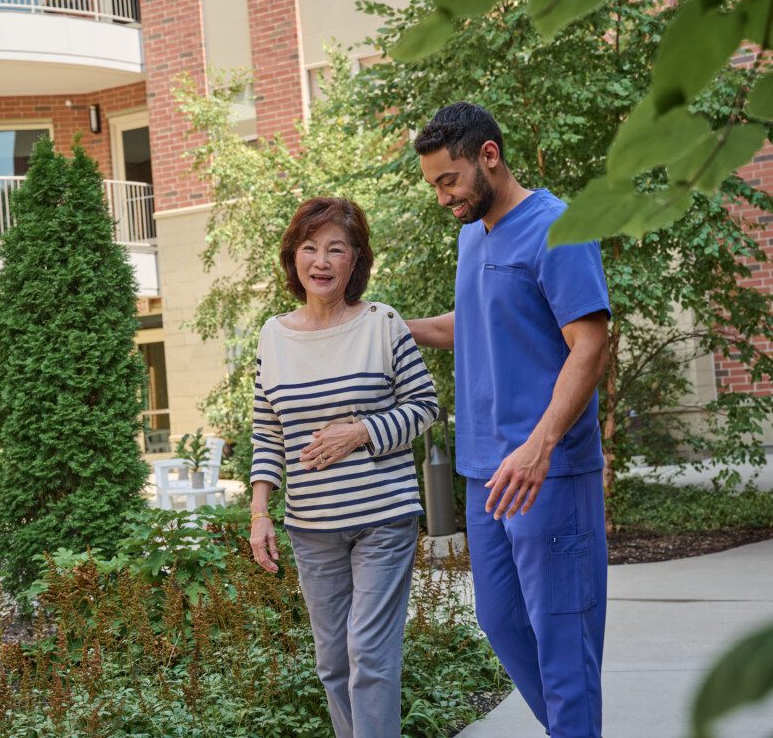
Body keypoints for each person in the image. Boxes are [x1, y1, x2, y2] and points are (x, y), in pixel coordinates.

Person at [406, 102, 611, 738]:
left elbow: (591, 344)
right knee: (500, 620)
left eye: (449, 180)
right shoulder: (474, 238)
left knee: (562, 636)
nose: (444, 197)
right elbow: (463, 326)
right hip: (486, 472)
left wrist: (539, 446)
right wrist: (381, 325)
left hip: (547, 471)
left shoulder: (559, 228)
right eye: (434, 184)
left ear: (488, 156)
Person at [248, 196, 439, 738]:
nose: (322, 260)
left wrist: (362, 431)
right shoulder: (273, 335)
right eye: (310, 248)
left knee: (369, 656)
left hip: (383, 517)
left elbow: (425, 405)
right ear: (294, 259)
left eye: (336, 249)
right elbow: (267, 431)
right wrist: (261, 512)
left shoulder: (383, 323)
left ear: (356, 260)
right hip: (311, 528)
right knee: (333, 662)